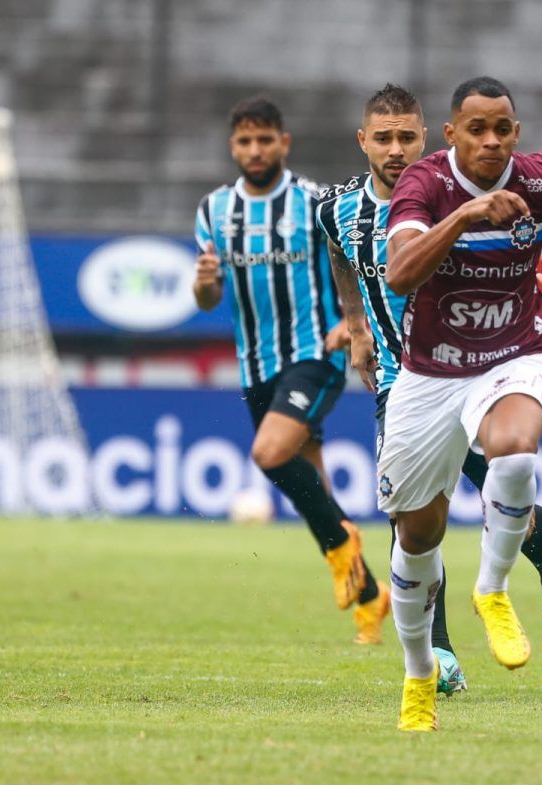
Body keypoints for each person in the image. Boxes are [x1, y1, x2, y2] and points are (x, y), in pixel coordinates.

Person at [315, 84, 542, 699]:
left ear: (428, 136)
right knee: (413, 522)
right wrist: (355, 327)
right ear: (364, 142)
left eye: (407, 136)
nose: (396, 149)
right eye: (383, 138)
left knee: (504, 489)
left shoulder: (441, 192)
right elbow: (340, 258)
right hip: (398, 377)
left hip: (476, 368)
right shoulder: (337, 208)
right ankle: (438, 653)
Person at [380, 76, 542, 731]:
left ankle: (492, 588)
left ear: (517, 132)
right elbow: (399, 272)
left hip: (514, 350)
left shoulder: (538, 178)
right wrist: (468, 215)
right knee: (418, 535)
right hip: (430, 373)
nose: (492, 141)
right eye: (478, 128)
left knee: (516, 449)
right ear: (452, 134)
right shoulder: (425, 186)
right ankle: (420, 673)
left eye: (503, 128)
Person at [193, 95, 382, 641]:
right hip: (256, 364)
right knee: (312, 490)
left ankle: (345, 543)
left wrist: (354, 323)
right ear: (233, 147)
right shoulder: (213, 211)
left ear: (284, 143)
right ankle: (372, 599)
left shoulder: (313, 202)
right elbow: (207, 298)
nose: (255, 150)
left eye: (264, 140)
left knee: (269, 454)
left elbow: (353, 264)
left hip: (314, 353)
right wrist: (204, 282)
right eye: (244, 142)